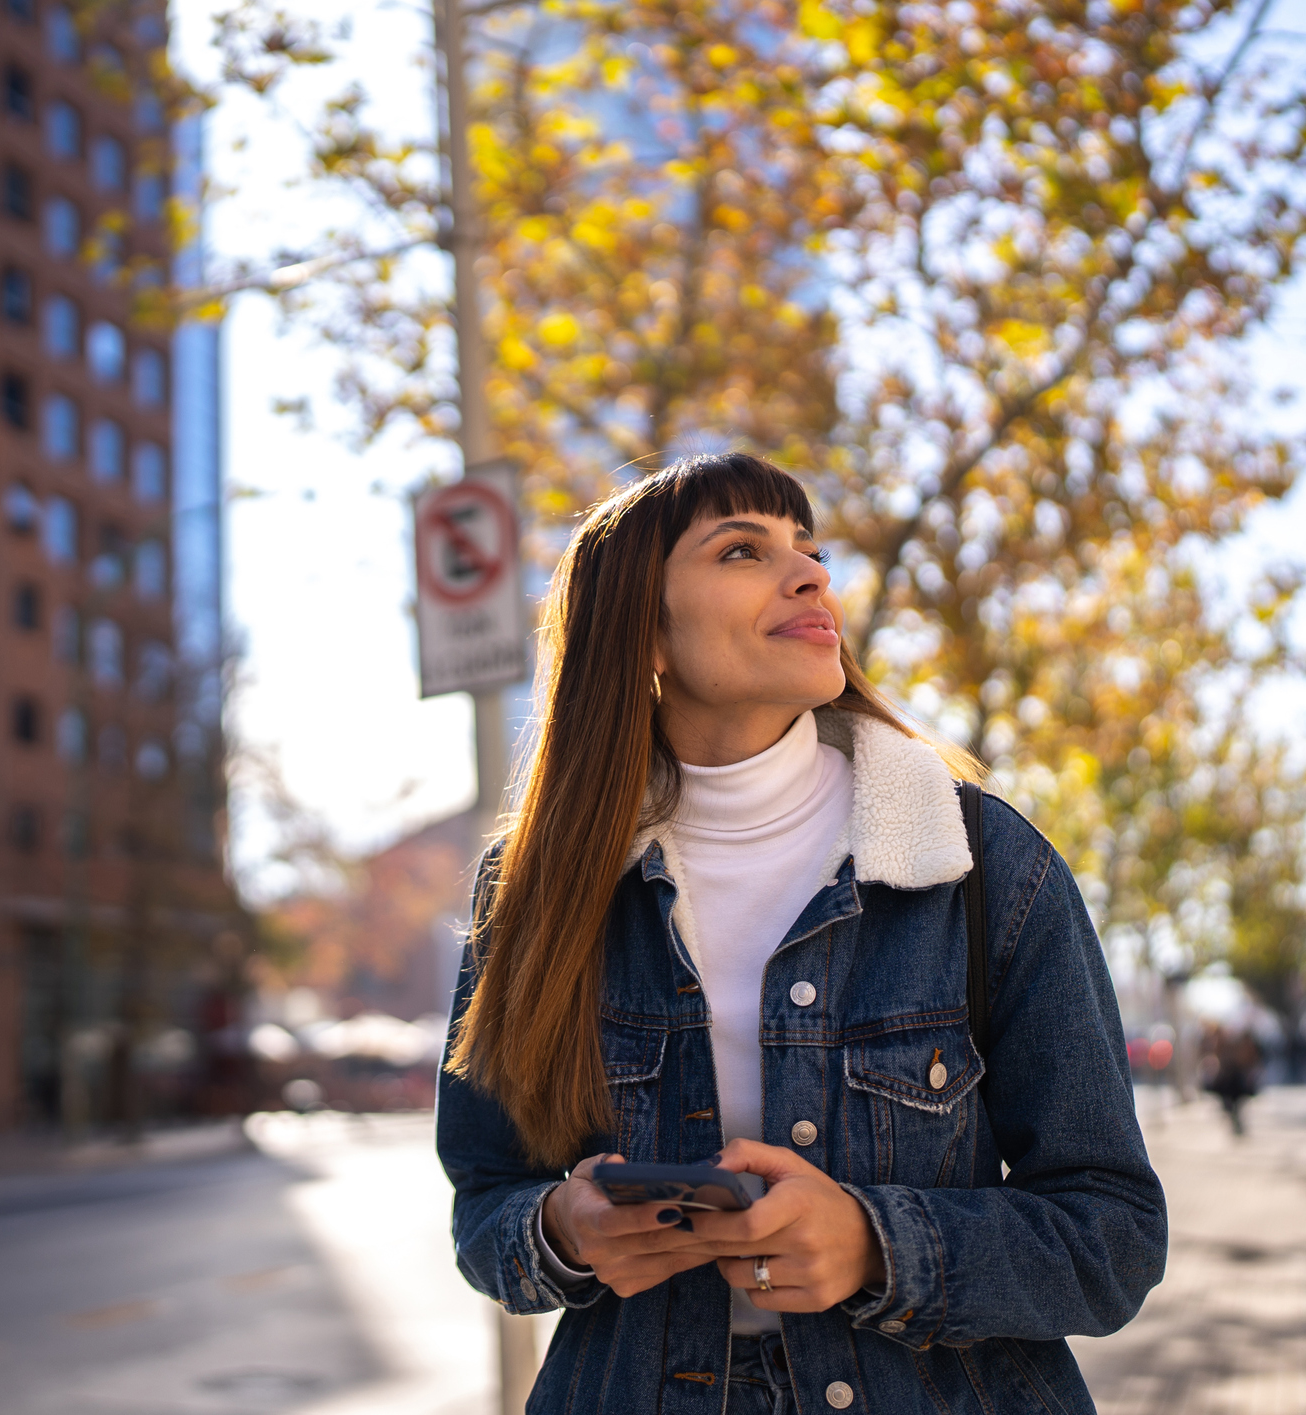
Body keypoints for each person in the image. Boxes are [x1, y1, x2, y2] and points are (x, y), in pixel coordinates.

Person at [436, 455, 1168, 1414]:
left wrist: (873, 1242)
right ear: (644, 631)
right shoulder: (533, 890)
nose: (811, 573)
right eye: (744, 548)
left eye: (811, 551)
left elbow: (1111, 1237)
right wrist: (565, 1229)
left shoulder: (979, 862)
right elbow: (485, 1204)